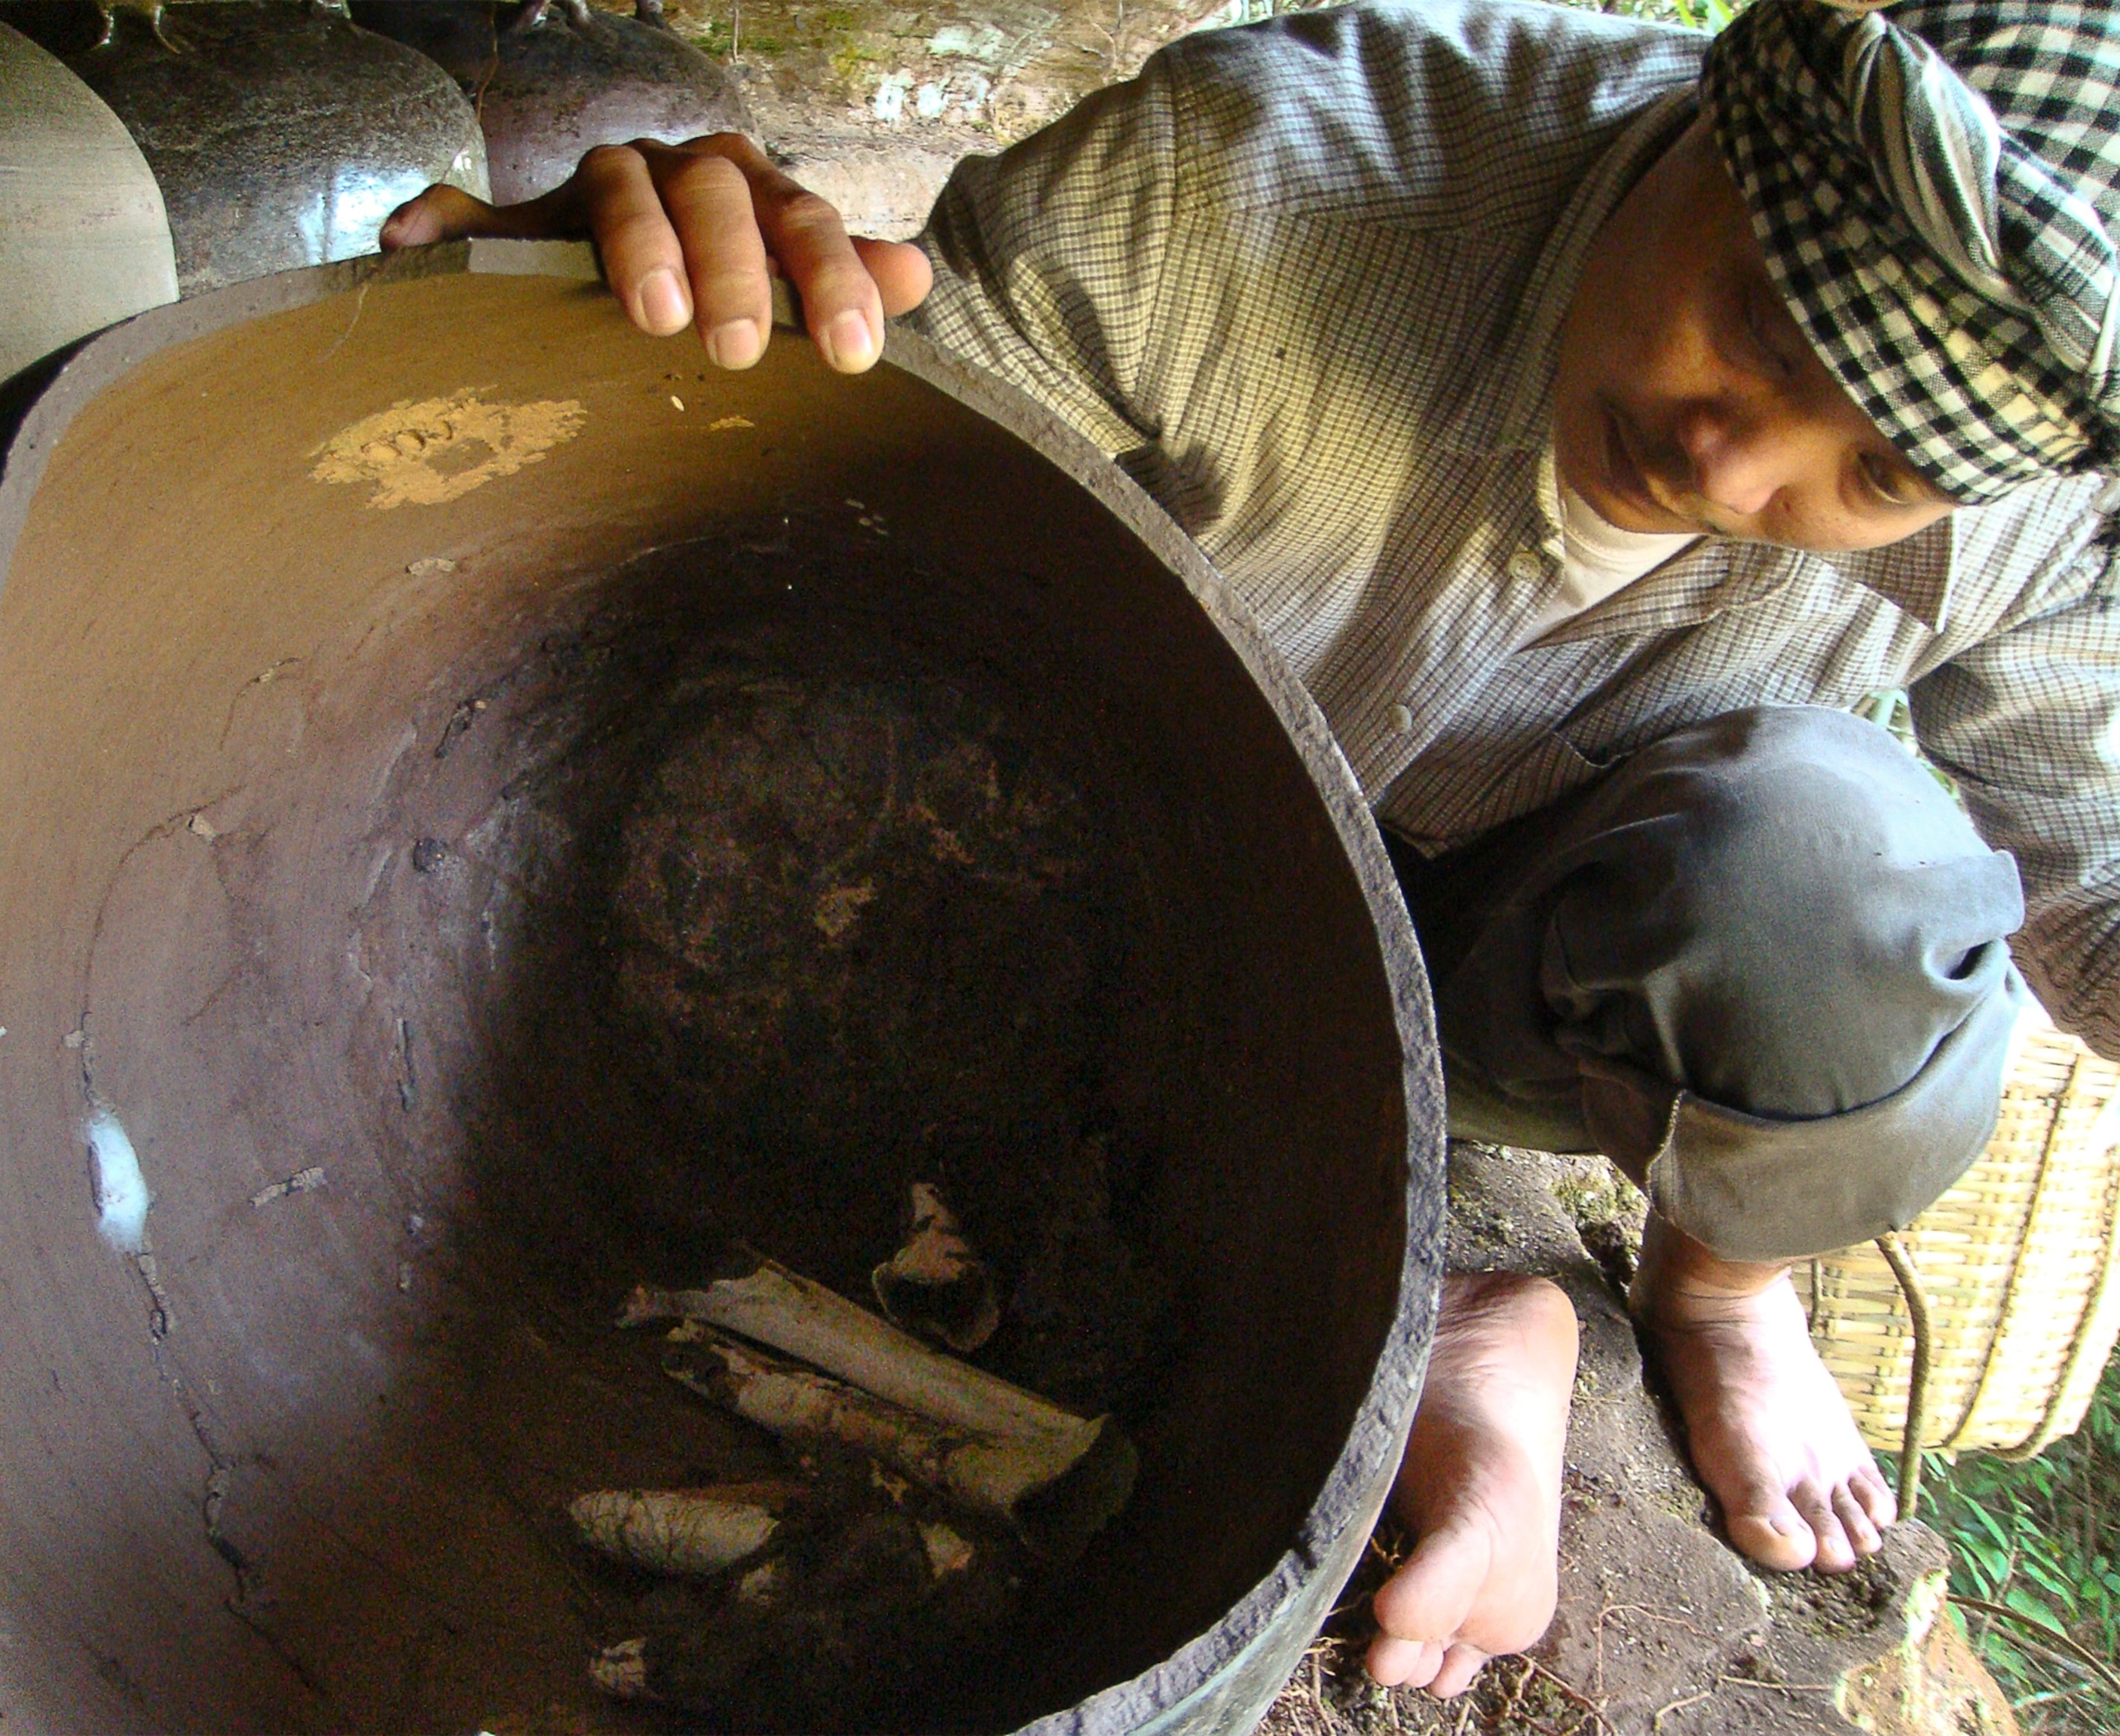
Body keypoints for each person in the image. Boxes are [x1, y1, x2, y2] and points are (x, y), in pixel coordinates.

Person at [382, 0, 2120, 1701]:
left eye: (1875, 471)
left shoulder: (2039, 496)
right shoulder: (1267, 174)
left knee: (1843, 882)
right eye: (1763, 320)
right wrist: (617, 328)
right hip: (1071, 879)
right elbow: (833, 486)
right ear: (1732, 113)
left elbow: (2096, 866)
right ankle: (1430, 1321)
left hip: (1497, 960)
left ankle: (1721, 1301)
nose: (1735, 464)